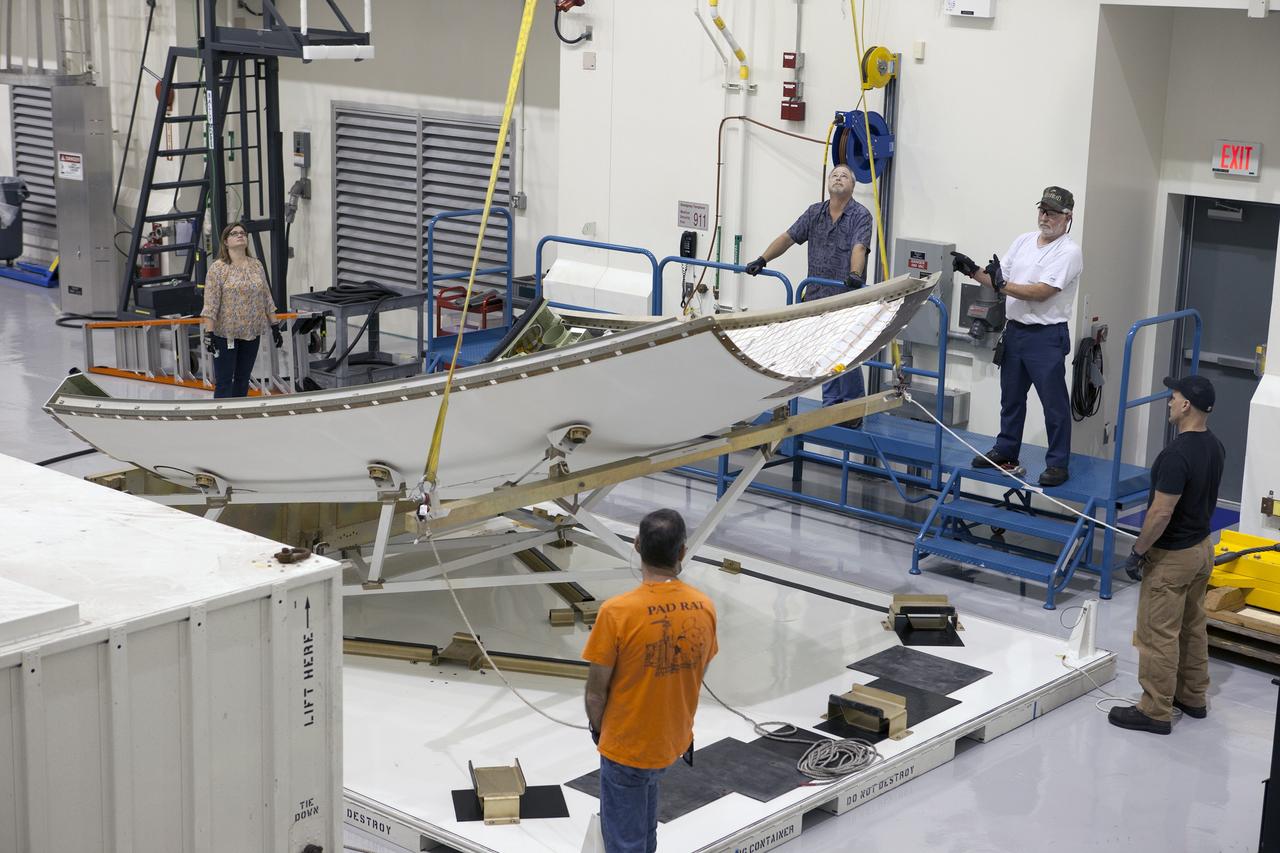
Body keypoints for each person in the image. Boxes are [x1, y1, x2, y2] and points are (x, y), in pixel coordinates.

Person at [582, 508, 718, 853]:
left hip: (627, 746)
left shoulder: (617, 612)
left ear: (637, 545)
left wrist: (602, 732)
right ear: (682, 552)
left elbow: (596, 693)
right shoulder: (704, 607)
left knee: (625, 842)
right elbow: (696, 671)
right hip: (671, 742)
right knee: (645, 832)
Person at [1108, 375, 1225, 735]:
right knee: (1192, 627)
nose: (1169, 402)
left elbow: (1161, 513)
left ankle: (1155, 709)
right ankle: (1193, 697)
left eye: (1173, 397)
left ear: (1187, 404)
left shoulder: (1176, 455)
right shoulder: (1215, 446)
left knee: (1158, 633)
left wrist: (1139, 551)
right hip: (1202, 549)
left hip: (1173, 556)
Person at [952, 186, 1083, 487]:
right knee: (1011, 397)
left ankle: (1058, 463)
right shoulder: (1024, 241)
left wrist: (1001, 285)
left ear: (1068, 217)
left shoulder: (1068, 252)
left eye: (1052, 212)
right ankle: (1006, 449)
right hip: (1016, 332)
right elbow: (998, 278)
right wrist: (972, 270)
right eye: (1042, 210)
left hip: (1046, 336)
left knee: (1054, 404)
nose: (1045, 216)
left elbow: (1041, 292)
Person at [743, 164, 873, 422]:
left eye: (844, 176)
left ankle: (852, 409)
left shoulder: (861, 215)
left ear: (853, 186)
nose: (838, 178)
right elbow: (788, 237)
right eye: (834, 174)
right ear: (827, 182)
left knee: (846, 352)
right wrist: (762, 259)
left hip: (846, 297)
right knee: (826, 353)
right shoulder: (815, 213)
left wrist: (856, 274)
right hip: (815, 296)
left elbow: (860, 246)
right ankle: (831, 404)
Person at [200, 222, 280, 399]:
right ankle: (222, 418)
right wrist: (209, 334)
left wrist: (275, 325)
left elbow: (266, 296)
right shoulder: (218, 269)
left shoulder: (256, 265)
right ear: (226, 241)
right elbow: (210, 304)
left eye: (243, 233)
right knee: (224, 381)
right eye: (234, 233)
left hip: (252, 333)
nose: (240, 235)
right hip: (225, 334)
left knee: (244, 379)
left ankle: (239, 415)